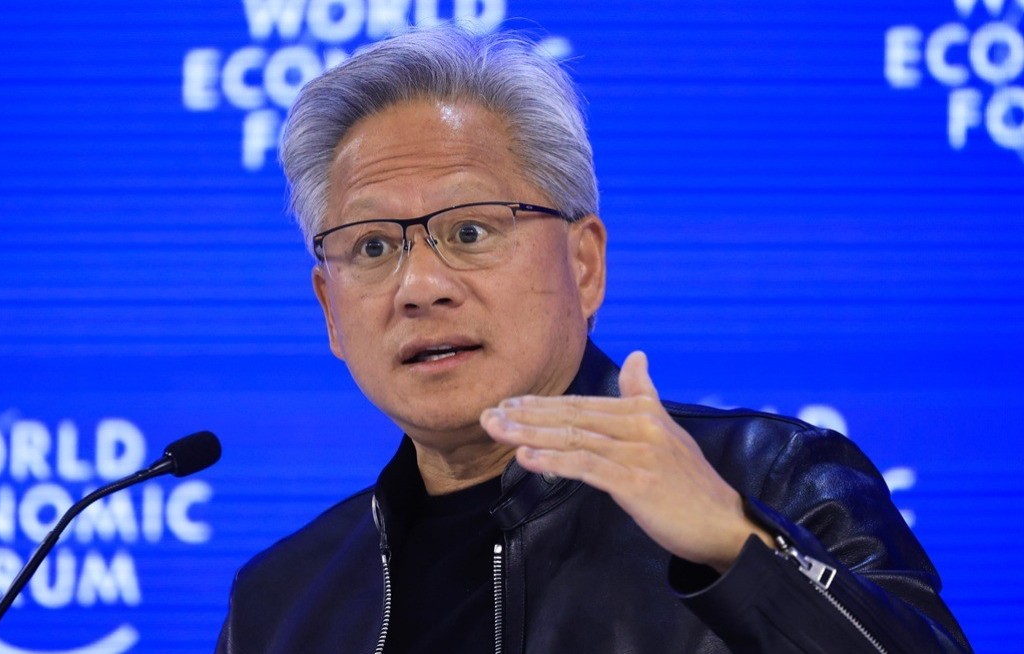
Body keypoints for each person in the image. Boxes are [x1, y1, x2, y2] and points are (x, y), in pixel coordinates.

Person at [217, 24, 971, 654]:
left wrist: (736, 548)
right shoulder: (280, 601)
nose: (420, 286)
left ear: (584, 265)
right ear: (330, 310)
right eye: (374, 247)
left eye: (470, 231)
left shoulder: (771, 481)